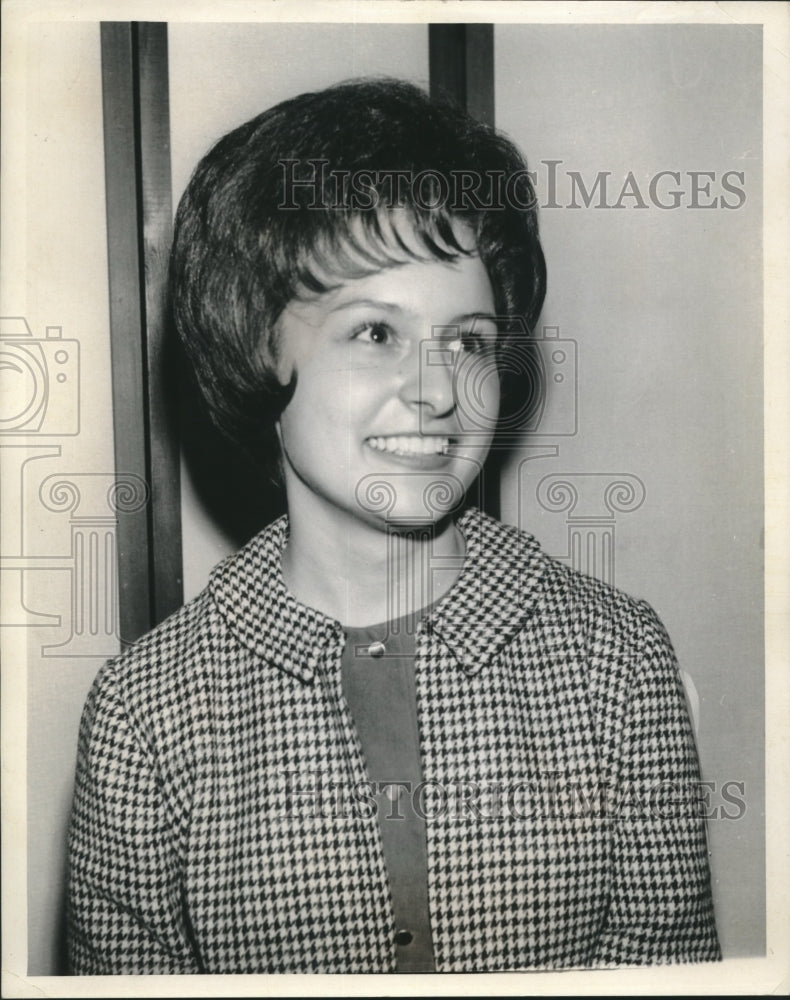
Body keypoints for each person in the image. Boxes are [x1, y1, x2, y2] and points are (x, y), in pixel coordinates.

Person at [66, 78, 721, 974]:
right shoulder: (146, 712)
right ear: (256, 345)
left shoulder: (619, 662)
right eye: (376, 333)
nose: (439, 391)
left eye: (469, 340)